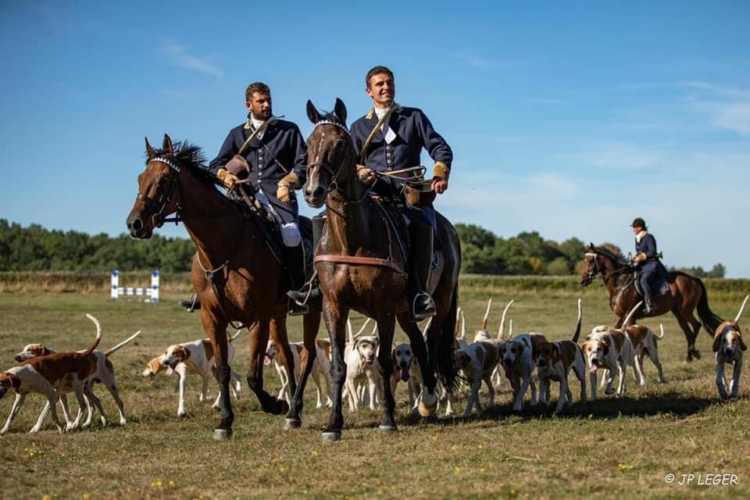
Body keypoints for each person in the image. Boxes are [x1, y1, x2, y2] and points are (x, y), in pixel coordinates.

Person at [291, 65, 453, 321]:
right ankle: (313, 285)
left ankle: (419, 294)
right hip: (371, 194)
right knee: (322, 219)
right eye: (380, 84)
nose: (386, 87)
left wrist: (440, 173)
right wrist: (360, 170)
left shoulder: (414, 117)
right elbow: (346, 160)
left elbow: (439, 147)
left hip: (406, 193)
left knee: (421, 222)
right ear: (369, 91)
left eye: (389, 82)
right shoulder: (358, 127)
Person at [178, 82, 309, 315]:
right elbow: (216, 164)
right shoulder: (237, 134)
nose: (267, 104)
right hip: (242, 195)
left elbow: (303, 162)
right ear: (249, 105)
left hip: (278, 193)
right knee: (216, 232)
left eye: (268, 100)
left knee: (291, 234)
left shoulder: (289, 130)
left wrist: (289, 181)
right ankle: (204, 291)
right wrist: (225, 176)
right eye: (261, 101)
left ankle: (297, 291)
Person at [630, 217, 659, 314]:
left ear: (640, 228)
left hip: (651, 265)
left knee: (644, 280)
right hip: (642, 265)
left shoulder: (649, 237)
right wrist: (634, 258)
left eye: (635, 227)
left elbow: (652, 251)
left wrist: (641, 257)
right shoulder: (638, 239)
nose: (633, 229)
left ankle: (650, 304)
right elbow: (639, 252)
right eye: (633, 227)